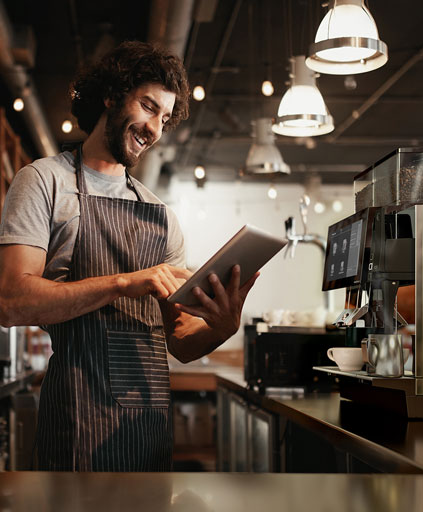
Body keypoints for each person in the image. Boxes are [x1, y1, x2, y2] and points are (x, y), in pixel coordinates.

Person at [0, 41, 258, 472]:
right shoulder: (44, 181)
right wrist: (126, 282)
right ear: (111, 96)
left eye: (164, 117)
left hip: (147, 431)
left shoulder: (162, 218)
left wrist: (221, 327)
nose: (155, 128)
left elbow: (179, 342)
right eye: (147, 106)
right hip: (75, 425)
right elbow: (11, 302)